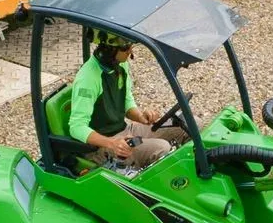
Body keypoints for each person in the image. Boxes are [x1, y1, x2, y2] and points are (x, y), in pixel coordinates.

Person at [68, 32, 186, 168]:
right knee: (162, 148)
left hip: (126, 131)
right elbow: (76, 127)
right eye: (125, 47)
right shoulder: (88, 78)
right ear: (109, 49)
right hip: (103, 146)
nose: (130, 51)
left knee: (187, 124)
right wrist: (112, 143)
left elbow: (126, 101)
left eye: (130, 45)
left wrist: (141, 116)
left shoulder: (119, 64)